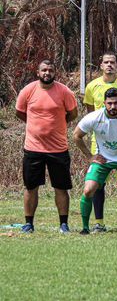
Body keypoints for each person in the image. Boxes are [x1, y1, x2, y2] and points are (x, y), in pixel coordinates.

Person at [15, 60, 78, 233]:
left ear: (55, 72)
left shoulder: (64, 91)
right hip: (33, 148)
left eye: (50, 70)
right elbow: (20, 112)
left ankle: (63, 224)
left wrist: (58, 124)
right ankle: (29, 223)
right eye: (44, 70)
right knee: (31, 187)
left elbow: (73, 113)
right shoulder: (28, 90)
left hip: (58, 149)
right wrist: (36, 125)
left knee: (61, 187)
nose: (47, 73)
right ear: (38, 72)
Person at [83, 52, 117, 233]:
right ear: (100, 65)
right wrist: (90, 154)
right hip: (99, 142)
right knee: (98, 184)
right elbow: (90, 115)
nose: (109, 65)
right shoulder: (92, 86)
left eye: (112, 62)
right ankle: (99, 222)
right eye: (106, 62)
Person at [74, 88, 117, 235]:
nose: (112, 107)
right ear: (104, 103)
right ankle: (86, 227)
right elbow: (76, 136)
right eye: (109, 103)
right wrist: (90, 156)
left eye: (116, 103)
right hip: (102, 160)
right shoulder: (94, 117)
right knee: (88, 190)